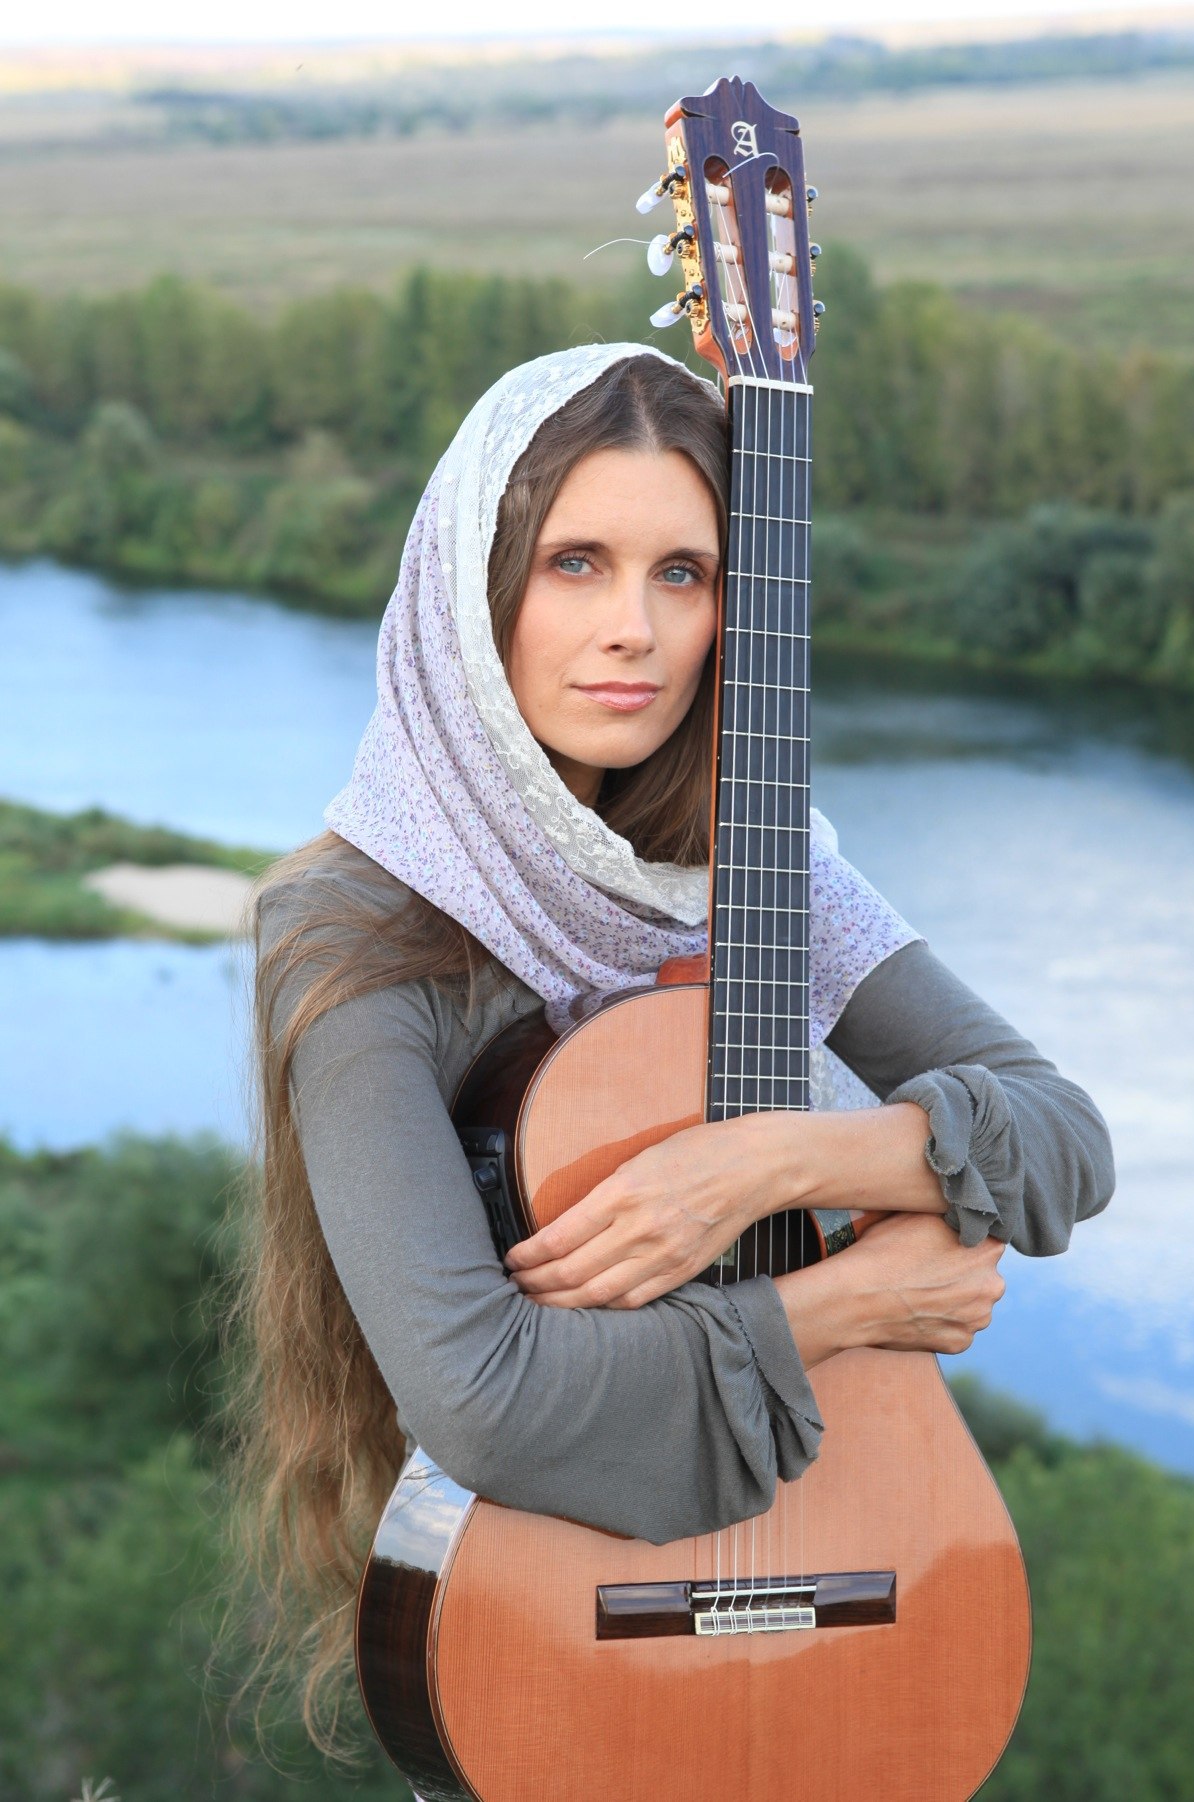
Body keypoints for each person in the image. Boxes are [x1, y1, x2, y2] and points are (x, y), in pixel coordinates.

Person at [231, 343, 1114, 1752]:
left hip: (863, 1564)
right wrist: (849, 1301)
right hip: (549, 1604)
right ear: (471, 587)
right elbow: (486, 1402)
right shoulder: (353, 930)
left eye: (684, 573)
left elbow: (1064, 1141)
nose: (632, 629)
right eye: (575, 563)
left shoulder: (763, 871)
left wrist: (766, 1166)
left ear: (733, 610)